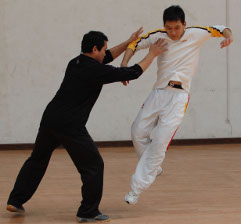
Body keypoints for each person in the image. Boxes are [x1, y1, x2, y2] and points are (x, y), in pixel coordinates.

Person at [6, 29, 167, 223]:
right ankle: (88, 211)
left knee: (37, 160)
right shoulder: (94, 70)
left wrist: (129, 42)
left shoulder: (76, 62)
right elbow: (132, 72)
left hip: (50, 118)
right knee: (93, 165)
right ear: (94, 48)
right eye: (103, 49)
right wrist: (152, 54)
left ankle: (15, 200)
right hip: (70, 125)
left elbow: (107, 57)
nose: (105, 53)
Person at [121, 5, 233, 205]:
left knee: (159, 145)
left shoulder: (196, 33)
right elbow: (134, 44)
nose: (173, 32)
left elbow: (222, 28)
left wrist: (228, 36)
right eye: (169, 28)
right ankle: (154, 167)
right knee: (137, 132)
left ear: (184, 25)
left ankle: (135, 189)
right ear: (164, 26)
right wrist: (123, 65)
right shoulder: (158, 36)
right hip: (158, 93)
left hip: (178, 98)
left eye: (177, 28)